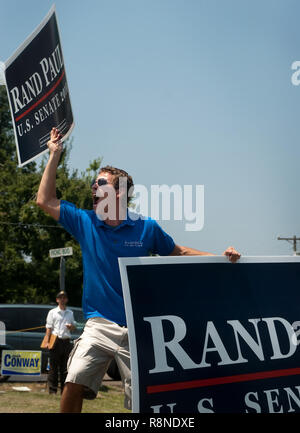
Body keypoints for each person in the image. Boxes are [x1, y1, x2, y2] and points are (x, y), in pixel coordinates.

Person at [36, 127, 241, 412]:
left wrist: (221, 258)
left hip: (137, 328)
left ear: (119, 194)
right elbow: (44, 200)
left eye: (101, 185)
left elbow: (178, 251)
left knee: (142, 401)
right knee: (74, 379)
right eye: (94, 186)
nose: (94, 189)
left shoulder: (146, 228)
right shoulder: (85, 222)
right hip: (98, 324)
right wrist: (55, 154)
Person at [44, 290, 75, 394]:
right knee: (53, 367)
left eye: (64, 297)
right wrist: (47, 341)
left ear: (66, 299)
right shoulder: (52, 312)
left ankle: (64, 390)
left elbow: (73, 327)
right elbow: (49, 328)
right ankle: (52, 390)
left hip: (66, 341)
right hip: (55, 340)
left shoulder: (70, 312)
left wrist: (71, 327)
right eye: (60, 298)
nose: (62, 299)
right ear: (57, 300)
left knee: (65, 368)